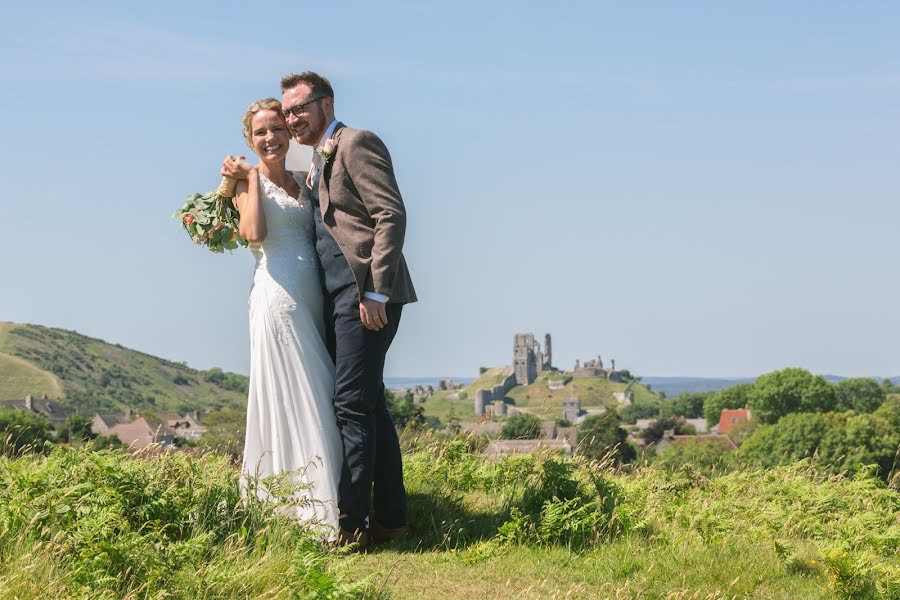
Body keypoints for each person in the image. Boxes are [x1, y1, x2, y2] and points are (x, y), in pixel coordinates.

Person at [280, 71, 417, 548]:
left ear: (325, 103)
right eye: (287, 110)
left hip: (366, 296)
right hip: (334, 298)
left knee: (352, 408)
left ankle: (352, 526)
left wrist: (377, 291)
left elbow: (390, 214)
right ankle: (393, 521)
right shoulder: (311, 156)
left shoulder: (356, 141)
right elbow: (280, 170)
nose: (292, 117)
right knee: (371, 407)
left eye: (299, 108)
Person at [225, 98, 343, 535]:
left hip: (315, 293)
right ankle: (307, 510)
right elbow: (254, 233)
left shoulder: (303, 179)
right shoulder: (244, 184)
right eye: (261, 132)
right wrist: (250, 178)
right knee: (299, 395)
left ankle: (330, 494)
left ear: (289, 132)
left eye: (277, 128)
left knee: (322, 391)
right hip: (277, 297)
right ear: (249, 140)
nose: (270, 138)